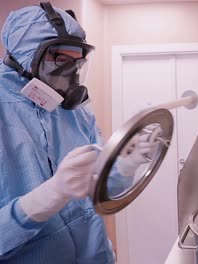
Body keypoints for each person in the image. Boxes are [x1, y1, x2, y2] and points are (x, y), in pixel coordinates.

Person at [0, 2, 115, 263]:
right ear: (26, 56)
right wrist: (45, 198)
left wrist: (126, 161)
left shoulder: (75, 111)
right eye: (61, 59)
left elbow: (102, 184)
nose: (71, 73)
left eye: (77, 62)